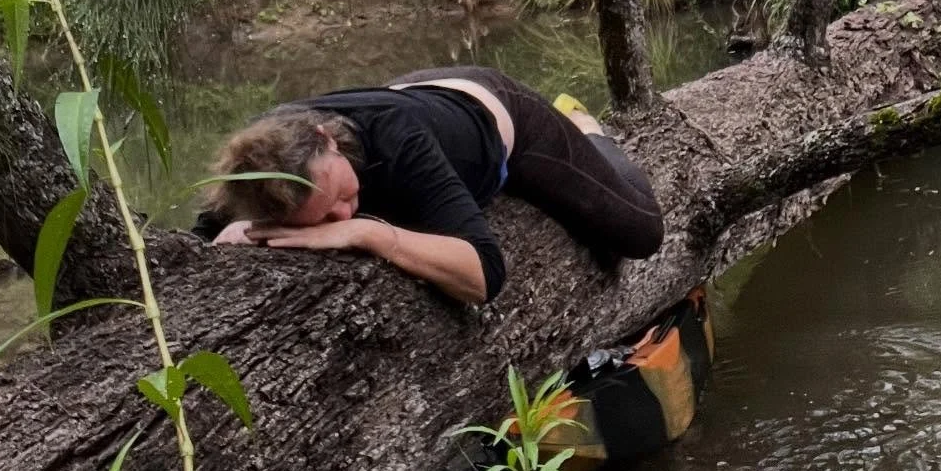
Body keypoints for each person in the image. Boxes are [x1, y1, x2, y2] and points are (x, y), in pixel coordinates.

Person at [195, 66, 664, 306]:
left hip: (497, 114)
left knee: (639, 233)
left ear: (326, 140)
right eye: (323, 217)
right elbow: (205, 238)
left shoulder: (399, 144)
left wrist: (367, 233)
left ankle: (586, 130)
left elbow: (485, 274)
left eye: (338, 199)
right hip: (413, 94)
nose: (341, 215)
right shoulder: (260, 162)